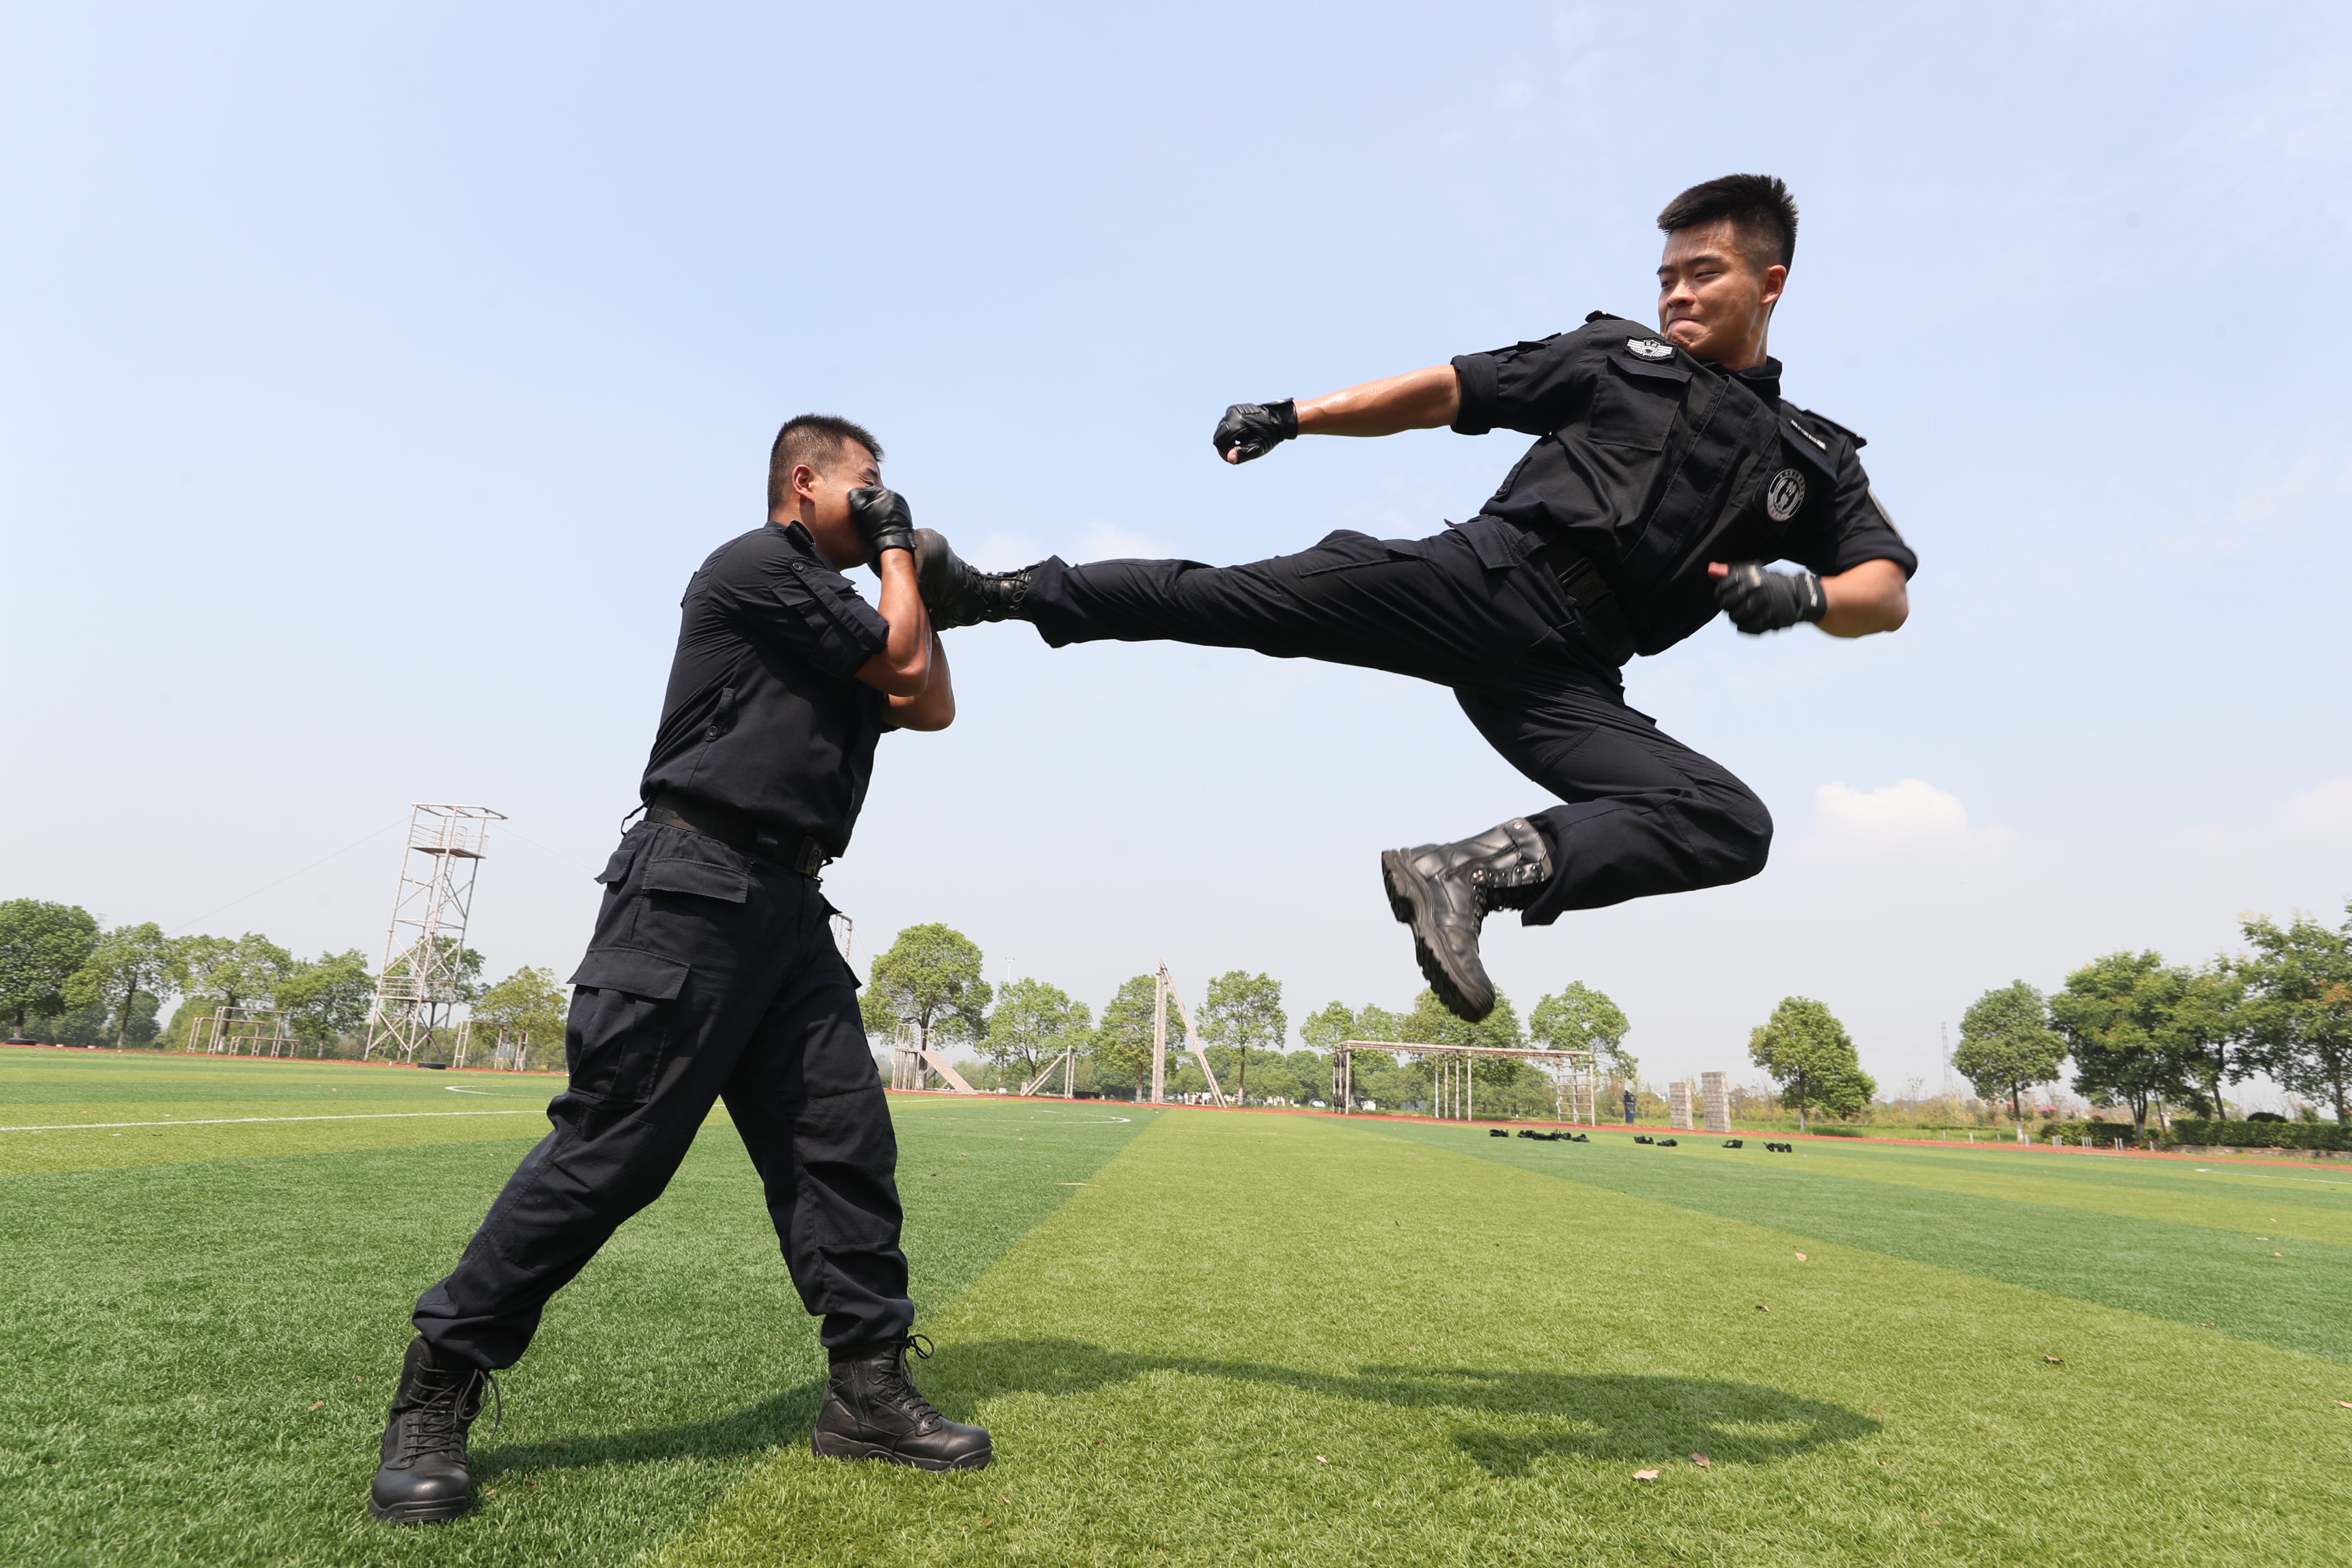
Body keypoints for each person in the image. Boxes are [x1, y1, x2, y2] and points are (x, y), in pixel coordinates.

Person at [913, 174, 1915, 1022]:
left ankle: (1467, 873)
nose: (1677, 297)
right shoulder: (1618, 357)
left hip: (1568, 681)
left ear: (1769, 283)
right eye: (1667, 278)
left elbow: (1885, 589)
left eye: (1705, 275)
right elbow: (1451, 390)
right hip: (1485, 582)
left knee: (1729, 821)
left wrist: (1807, 595)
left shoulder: (1814, 458)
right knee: (1229, 600)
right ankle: (991, 591)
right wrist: (1291, 417)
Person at [369, 415, 991, 1527]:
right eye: (870, 485)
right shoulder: (759, 567)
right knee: (615, 1150)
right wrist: (901, 547)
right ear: (808, 483)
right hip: (691, 883)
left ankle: (867, 1390)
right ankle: (437, 1384)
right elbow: (903, 664)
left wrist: (908, 574)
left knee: (841, 1145)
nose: (883, 500)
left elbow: (930, 700)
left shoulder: (852, 618)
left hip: (794, 908)